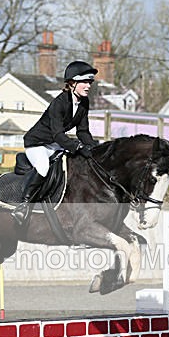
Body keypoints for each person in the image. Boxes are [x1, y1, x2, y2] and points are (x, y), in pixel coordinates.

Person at [11, 60, 100, 224]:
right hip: (37, 143)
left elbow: (82, 131)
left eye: (90, 82)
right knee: (44, 167)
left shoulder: (83, 103)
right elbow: (58, 134)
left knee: (73, 163)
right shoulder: (59, 103)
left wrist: (94, 148)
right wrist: (77, 146)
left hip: (53, 143)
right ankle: (23, 205)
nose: (88, 86)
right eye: (84, 82)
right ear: (72, 83)